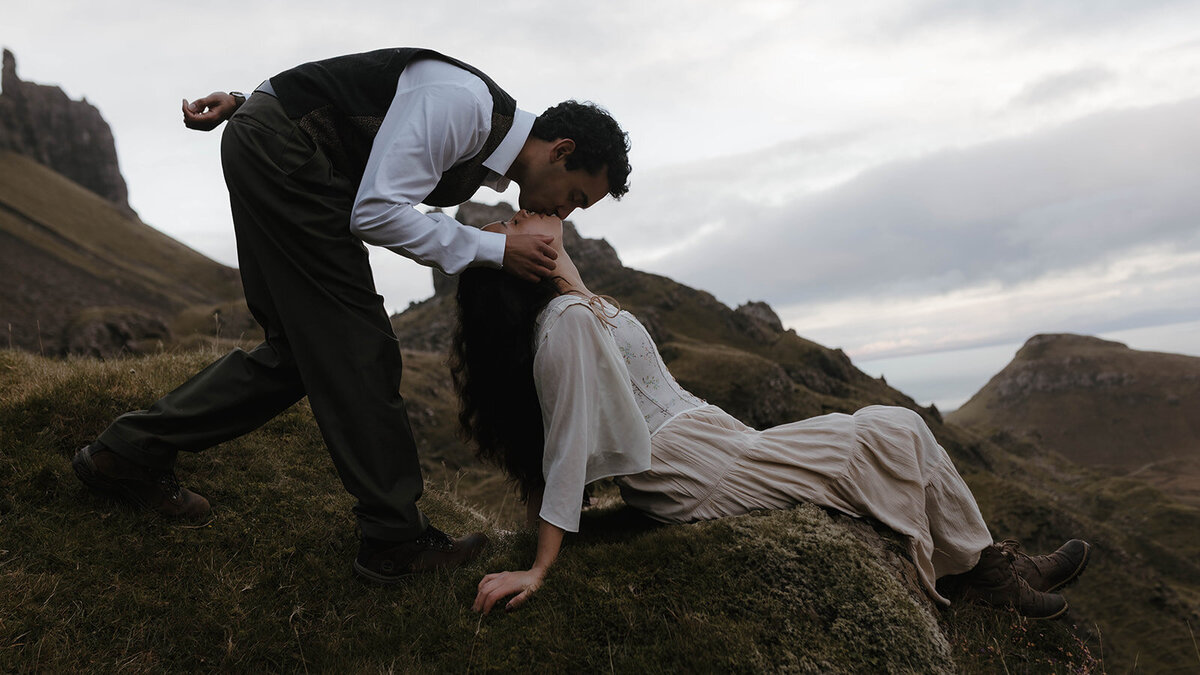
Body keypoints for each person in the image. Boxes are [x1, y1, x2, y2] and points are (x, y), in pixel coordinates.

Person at [71, 48, 631, 584]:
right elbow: (376, 212)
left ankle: (127, 454)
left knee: (299, 352)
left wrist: (251, 101)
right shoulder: (463, 108)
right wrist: (493, 251)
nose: (565, 212)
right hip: (284, 156)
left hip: (276, 146)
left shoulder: (478, 129)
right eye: (576, 196)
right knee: (359, 346)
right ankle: (395, 540)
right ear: (561, 150)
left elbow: (350, 100)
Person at [451, 210, 1091, 618]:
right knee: (894, 430)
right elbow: (566, 445)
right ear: (510, 263)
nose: (526, 213)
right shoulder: (561, 325)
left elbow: (567, 261)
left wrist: (553, 252)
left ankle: (993, 569)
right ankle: (990, 577)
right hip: (691, 469)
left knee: (892, 429)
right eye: (509, 224)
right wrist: (538, 567)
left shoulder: (571, 302)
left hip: (720, 441)